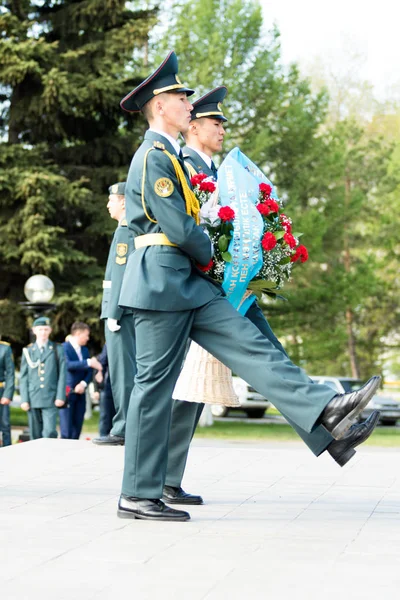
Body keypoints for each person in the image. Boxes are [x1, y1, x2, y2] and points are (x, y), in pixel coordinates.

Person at [117, 51, 380, 522]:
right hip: (161, 283)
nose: (187, 104)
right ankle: (137, 493)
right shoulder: (153, 158)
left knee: (253, 346)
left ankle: (328, 408)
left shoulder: (170, 156)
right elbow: (179, 228)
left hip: (188, 284)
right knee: (153, 389)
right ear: (159, 106)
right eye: (180, 97)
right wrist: (213, 260)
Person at [92, 183, 136, 446]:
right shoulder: (127, 230)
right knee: (123, 371)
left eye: (112, 200)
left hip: (119, 311)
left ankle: (123, 427)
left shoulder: (124, 232)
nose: (108, 205)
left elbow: (119, 276)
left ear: (123, 202)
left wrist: (113, 312)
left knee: (123, 373)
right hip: (121, 309)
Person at [19, 316, 66, 439]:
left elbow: (62, 374)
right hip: (33, 397)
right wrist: (24, 399)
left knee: (50, 432)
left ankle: (49, 456)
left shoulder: (57, 349)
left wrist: (61, 396)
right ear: (34, 330)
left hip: (51, 397)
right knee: (35, 434)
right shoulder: (28, 351)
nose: (43, 332)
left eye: (46, 329)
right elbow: (23, 377)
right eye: (40, 329)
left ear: (50, 330)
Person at [61, 321, 102, 439]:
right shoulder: (64, 348)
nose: (88, 338)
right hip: (68, 392)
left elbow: (89, 371)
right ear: (78, 334)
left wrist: (83, 384)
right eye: (86, 335)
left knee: (77, 428)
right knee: (66, 430)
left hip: (81, 392)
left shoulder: (84, 350)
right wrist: (89, 362)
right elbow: (68, 365)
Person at [0, 339, 15, 447]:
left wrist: (7, 394)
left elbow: (10, 373)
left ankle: (7, 450)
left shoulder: (5, 348)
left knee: (5, 424)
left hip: (1, 391)